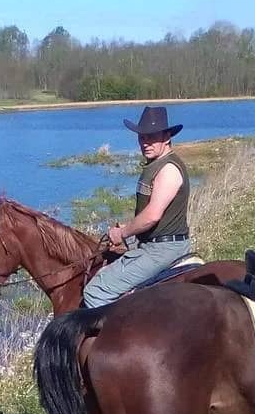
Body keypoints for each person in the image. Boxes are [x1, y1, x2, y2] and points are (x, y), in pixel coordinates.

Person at [81, 106, 191, 308]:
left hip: (163, 249)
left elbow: (152, 216)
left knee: (96, 291)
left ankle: (113, 338)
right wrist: (130, 230)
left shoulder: (168, 169)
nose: (145, 143)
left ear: (167, 137)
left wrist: (122, 232)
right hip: (153, 244)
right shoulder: (156, 164)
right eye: (142, 137)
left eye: (152, 137)